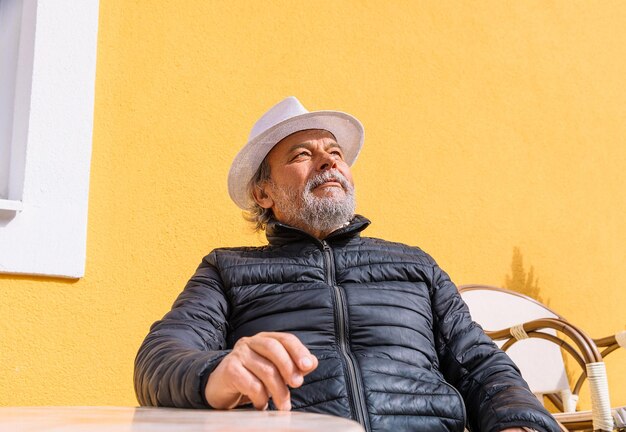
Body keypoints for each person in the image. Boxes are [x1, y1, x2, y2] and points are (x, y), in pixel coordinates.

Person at [134, 97, 560, 432]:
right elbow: (159, 360)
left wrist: (519, 423)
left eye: (335, 152)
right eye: (302, 154)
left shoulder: (415, 265)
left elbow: (482, 365)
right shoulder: (227, 270)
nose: (329, 161)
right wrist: (218, 371)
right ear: (264, 194)